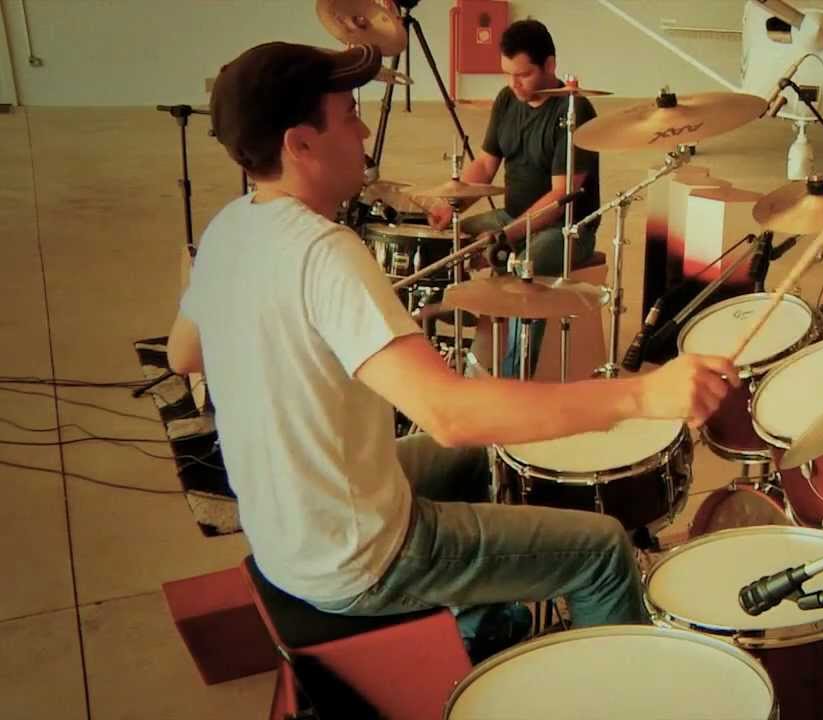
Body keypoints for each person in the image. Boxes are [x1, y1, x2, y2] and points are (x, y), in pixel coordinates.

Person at [166, 41, 735, 645]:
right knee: (603, 551)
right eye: (349, 115)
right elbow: (449, 415)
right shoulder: (323, 253)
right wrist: (642, 395)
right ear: (299, 144)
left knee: (488, 457)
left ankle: (486, 618)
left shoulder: (231, 226)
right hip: (357, 558)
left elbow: (184, 354)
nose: (364, 131)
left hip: (287, 527)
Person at [426, 19, 599, 377]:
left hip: (567, 229)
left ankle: (513, 379)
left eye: (523, 75)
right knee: (446, 241)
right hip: (512, 216)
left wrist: (506, 237)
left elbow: (560, 197)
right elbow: (485, 164)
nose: (513, 84)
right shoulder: (507, 100)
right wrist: (451, 205)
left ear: (549, 65)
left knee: (524, 269)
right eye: (507, 74)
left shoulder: (574, 111)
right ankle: (460, 338)